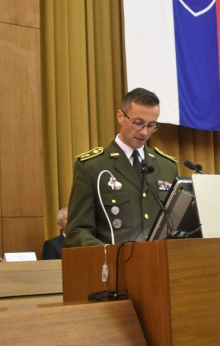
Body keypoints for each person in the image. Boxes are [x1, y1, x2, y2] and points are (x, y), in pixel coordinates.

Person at [66, 88, 179, 247]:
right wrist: (111, 254)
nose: (144, 132)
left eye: (151, 125)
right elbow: (77, 231)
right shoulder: (92, 167)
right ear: (121, 116)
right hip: (115, 261)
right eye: (138, 123)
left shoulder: (167, 167)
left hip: (160, 259)